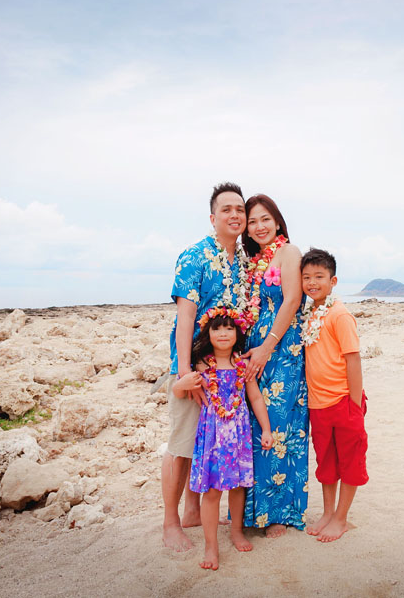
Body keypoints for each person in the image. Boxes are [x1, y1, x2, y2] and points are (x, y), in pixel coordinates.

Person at [161, 182, 249, 552]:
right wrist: (184, 372)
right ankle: (170, 523)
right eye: (226, 209)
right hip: (193, 366)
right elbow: (186, 317)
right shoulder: (194, 256)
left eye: (240, 210)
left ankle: (194, 511)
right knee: (182, 444)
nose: (235, 215)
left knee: (207, 442)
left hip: (226, 368)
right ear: (213, 218)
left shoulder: (242, 262)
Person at [173, 309, 273, 570]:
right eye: (217, 328)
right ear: (208, 333)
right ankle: (211, 546)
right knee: (214, 490)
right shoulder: (202, 366)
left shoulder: (242, 365)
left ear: (237, 332)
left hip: (239, 435)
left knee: (238, 486)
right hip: (213, 436)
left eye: (229, 328)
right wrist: (182, 384)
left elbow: (255, 398)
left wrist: (265, 429)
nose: (223, 333)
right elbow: (178, 389)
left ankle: (237, 531)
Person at [239, 194, 309, 537]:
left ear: (278, 221)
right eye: (252, 222)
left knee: (280, 426)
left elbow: (293, 299)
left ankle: (278, 514)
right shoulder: (253, 260)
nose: (259, 226)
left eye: (265, 219)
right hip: (255, 349)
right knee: (255, 426)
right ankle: (254, 511)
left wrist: (267, 347)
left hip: (282, 349)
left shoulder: (289, 252)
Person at [299, 248, 368, 543]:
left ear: (333, 280)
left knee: (350, 462)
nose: (312, 282)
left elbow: (353, 359)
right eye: (306, 277)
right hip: (318, 405)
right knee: (326, 463)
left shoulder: (339, 315)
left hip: (343, 402)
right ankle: (327, 513)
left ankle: (341, 518)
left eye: (319, 276)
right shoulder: (310, 313)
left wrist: (354, 404)